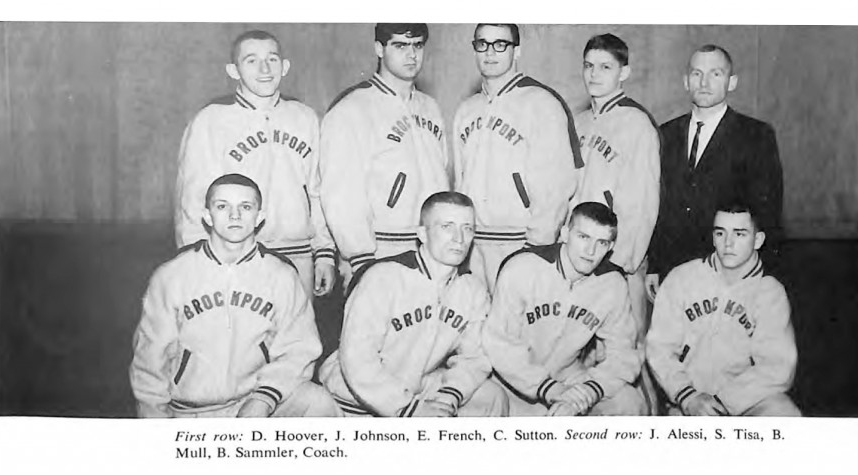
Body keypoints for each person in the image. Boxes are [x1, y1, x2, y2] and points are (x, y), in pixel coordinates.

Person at [131, 174, 339, 418]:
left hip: (253, 403)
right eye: (222, 206)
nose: (235, 215)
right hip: (192, 411)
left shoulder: (280, 275)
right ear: (207, 216)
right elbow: (149, 363)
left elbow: (299, 349)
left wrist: (264, 399)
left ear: (259, 217)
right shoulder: (172, 276)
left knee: (318, 402)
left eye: (245, 207)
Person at [174, 30, 336, 301]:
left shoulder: (305, 118)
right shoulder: (211, 121)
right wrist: (198, 263)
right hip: (236, 255)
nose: (264, 69)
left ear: (284, 67)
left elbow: (318, 192)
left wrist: (324, 252)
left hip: (298, 254)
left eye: (272, 59)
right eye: (251, 61)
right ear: (233, 70)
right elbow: (192, 201)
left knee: (297, 340)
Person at [319, 192, 508, 417]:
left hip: (416, 384)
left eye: (467, 228)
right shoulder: (384, 277)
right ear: (422, 234)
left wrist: (451, 393)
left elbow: (474, 357)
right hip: (357, 396)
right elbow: (357, 360)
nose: (459, 238)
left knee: (491, 395)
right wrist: (409, 410)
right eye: (447, 226)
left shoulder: (472, 289)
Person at [646, 44, 783, 302]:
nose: (704, 82)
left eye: (715, 74)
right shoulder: (665, 134)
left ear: (732, 82)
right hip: (673, 270)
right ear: (686, 81)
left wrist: (758, 276)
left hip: (730, 271)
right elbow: (657, 205)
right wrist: (655, 264)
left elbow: (768, 211)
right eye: (697, 74)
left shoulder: (756, 135)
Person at [452, 23, 583, 292]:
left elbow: (556, 187)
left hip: (519, 242)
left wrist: (536, 247)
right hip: (472, 243)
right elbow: (459, 180)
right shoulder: (467, 109)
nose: (490, 52)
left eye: (500, 44)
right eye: (482, 43)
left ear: (517, 51)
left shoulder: (541, 102)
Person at [482, 202, 645, 416]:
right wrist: (548, 388)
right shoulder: (523, 268)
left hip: (568, 378)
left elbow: (623, 354)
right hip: (514, 381)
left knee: (630, 401)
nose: (591, 251)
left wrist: (588, 391)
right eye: (583, 237)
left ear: (611, 247)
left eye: (602, 242)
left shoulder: (612, 284)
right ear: (565, 234)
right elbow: (499, 343)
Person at [320, 23, 449, 284]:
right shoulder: (352, 109)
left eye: (418, 45)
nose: (411, 55)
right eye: (400, 45)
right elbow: (341, 194)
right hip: (380, 251)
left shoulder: (430, 107)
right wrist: (360, 257)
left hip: (432, 249)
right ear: (379, 48)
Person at [646, 201, 799, 416]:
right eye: (720, 233)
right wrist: (688, 396)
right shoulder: (682, 278)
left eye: (739, 234)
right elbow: (659, 348)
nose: (728, 243)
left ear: (758, 240)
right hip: (688, 399)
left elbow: (778, 367)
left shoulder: (770, 293)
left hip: (746, 401)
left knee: (785, 415)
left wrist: (721, 403)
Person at [574, 33, 661, 343]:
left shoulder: (636, 123)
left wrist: (621, 261)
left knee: (627, 349)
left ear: (624, 72)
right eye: (588, 66)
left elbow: (642, 205)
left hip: (617, 260)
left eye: (605, 67)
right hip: (581, 255)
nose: (594, 74)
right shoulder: (579, 122)